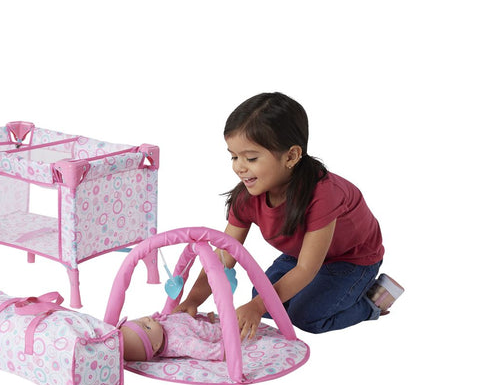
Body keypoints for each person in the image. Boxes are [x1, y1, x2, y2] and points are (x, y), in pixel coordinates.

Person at [174, 92, 399, 338]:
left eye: (251, 158)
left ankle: (372, 304)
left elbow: (306, 269)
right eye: (234, 156)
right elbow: (223, 255)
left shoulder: (323, 195)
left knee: (305, 316)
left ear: (291, 156)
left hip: (351, 260)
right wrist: (193, 299)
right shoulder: (247, 195)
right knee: (264, 301)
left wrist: (257, 306)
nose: (239, 166)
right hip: (301, 254)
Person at [119, 312, 228, 363]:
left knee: (198, 319)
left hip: (188, 320)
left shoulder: (157, 330)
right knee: (216, 330)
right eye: (147, 326)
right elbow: (199, 349)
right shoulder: (178, 344)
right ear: (156, 345)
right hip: (203, 331)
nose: (146, 319)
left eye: (139, 320)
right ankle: (221, 327)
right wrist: (221, 352)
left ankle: (208, 320)